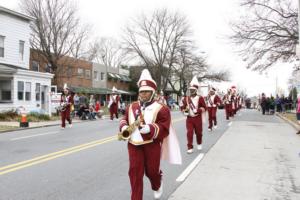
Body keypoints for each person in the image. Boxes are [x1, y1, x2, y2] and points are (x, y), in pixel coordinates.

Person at [119, 69, 181, 200]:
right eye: (141, 91)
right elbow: (125, 118)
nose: (143, 94)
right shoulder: (132, 106)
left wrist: (150, 128)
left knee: (152, 171)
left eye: (146, 91)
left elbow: (164, 128)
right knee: (135, 173)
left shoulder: (162, 108)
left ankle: (157, 183)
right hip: (133, 144)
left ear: (152, 92)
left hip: (151, 144)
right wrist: (124, 126)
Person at [180, 76, 207, 154]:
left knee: (199, 133)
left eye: (193, 90)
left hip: (197, 118)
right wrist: (184, 109)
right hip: (189, 118)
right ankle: (190, 147)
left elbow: (205, 108)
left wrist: (198, 110)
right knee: (189, 132)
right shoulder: (186, 99)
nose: (191, 91)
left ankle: (199, 143)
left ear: (196, 90)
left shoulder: (200, 98)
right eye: (190, 90)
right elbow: (182, 107)